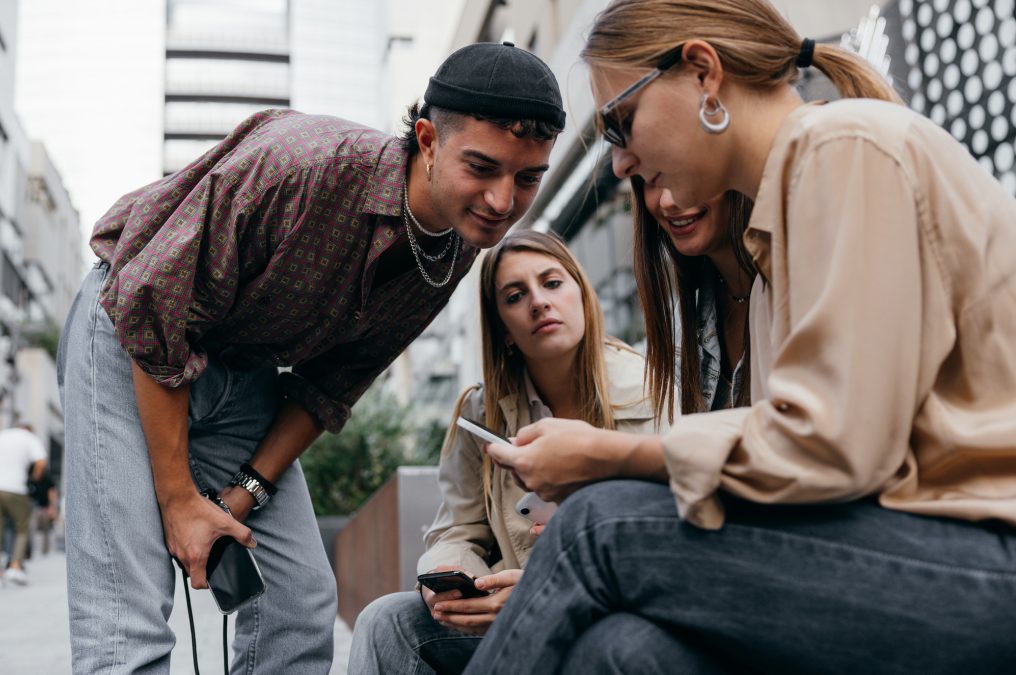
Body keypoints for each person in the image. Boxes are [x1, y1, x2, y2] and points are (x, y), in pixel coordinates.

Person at [463, 1, 1016, 673]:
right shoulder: (772, 261)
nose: (619, 163)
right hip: (915, 549)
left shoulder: (846, 148)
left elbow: (836, 445)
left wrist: (613, 456)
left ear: (703, 73)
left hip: (982, 555)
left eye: (620, 122)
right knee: (622, 651)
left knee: (595, 528)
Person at [57, 41, 565, 674]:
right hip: (131, 333)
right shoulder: (303, 163)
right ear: (429, 139)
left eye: (527, 178)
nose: (500, 201)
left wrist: (244, 492)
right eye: (482, 168)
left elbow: (332, 384)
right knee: (127, 613)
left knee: (299, 600)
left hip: (243, 374)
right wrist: (180, 499)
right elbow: (156, 309)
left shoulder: (456, 247)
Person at [348, 230, 663, 674]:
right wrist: (455, 584)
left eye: (552, 283)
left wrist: (546, 586)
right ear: (504, 330)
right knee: (387, 621)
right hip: (515, 613)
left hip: (618, 608)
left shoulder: (656, 389)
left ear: (583, 296)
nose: (538, 302)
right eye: (515, 296)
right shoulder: (482, 413)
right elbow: (456, 531)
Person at [631, 180, 755, 415]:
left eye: (676, 170)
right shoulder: (680, 326)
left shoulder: (799, 281)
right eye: (650, 180)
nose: (667, 202)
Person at [0, 423, 47, 588]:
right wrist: (33, 479)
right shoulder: (29, 437)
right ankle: (15, 566)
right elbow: (41, 463)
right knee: (22, 529)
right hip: (15, 488)